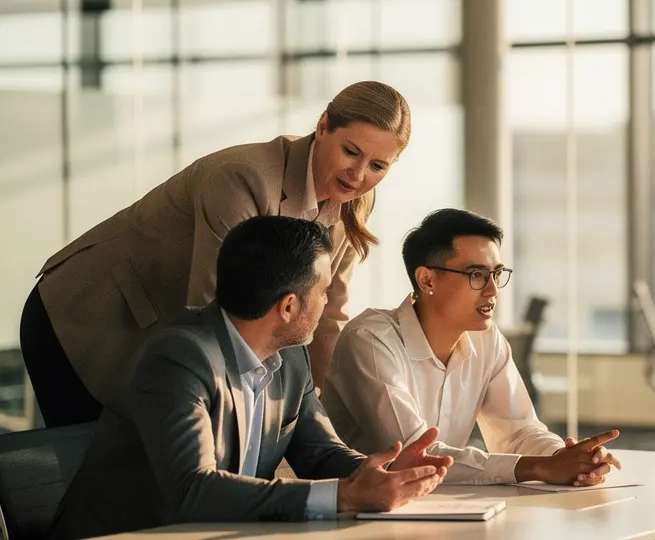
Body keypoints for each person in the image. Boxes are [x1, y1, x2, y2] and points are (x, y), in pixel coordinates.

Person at [20, 80, 410, 427]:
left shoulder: (353, 200)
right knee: (91, 480)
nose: (359, 175)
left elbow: (328, 315)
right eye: (350, 152)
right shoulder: (245, 176)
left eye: (378, 165)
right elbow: (214, 305)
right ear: (323, 126)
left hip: (168, 334)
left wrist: (320, 415)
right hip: (88, 317)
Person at [48, 216, 453, 540]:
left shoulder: (291, 355)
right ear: (289, 306)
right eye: (324, 291)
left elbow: (320, 453)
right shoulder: (179, 356)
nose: (329, 301)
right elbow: (194, 490)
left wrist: (379, 471)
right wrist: (345, 496)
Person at [322, 208, 622, 486]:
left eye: (496, 274)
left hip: (444, 508)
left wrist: (567, 459)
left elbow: (518, 431)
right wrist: (539, 468)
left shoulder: (486, 339)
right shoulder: (370, 341)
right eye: (476, 275)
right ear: (427, 279)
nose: (492, 290)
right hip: (354, 515)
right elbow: (414, 456)